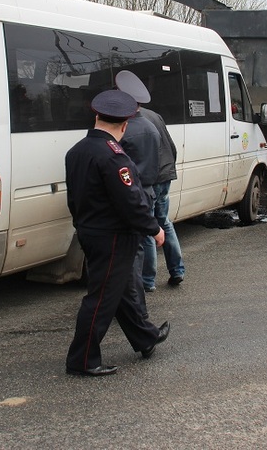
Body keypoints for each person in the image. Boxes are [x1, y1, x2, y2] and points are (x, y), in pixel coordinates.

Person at [64, 89, 171, 377]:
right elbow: (131, 203)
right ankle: (82, 359)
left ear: (97, 117)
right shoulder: (115, 157)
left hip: (90, 231)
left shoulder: (76, 151)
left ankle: (145, 337)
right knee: (100, 299)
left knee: (120, 290)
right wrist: (155, 229)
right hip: (113, 236)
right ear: (124, 124)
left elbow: (73, 199)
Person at [116, 70, 186, 288]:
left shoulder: (127, 121)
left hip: (150, 178)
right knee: (164, 222)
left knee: (147, 227)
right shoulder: (154, 115)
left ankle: (148, 280)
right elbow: (171, 147)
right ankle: (177, 269)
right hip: (165, 174)